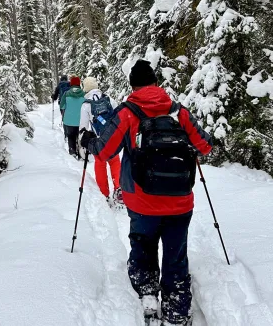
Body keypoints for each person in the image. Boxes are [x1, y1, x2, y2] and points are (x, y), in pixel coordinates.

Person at [80, 60, 213, 326]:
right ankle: (177, 310)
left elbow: (105, 151)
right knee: (176, 254)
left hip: (141, 200)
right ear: (155, 83)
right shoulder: (178, 112)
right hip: (180, 200)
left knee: (143, 244)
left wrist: (88, 141)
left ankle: (147, 290)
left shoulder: (127, 113)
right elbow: (205, 146)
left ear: (133, 86)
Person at [79, 76, 122, 205]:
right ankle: (119, 189)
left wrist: (84, 142)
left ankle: (104, 194)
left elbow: (83, 127)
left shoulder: (86, 104)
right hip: (113, 137)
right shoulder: (108, 98)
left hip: (99, 139)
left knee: (100, 163)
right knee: (115, 162)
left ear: (85, 88)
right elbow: (118, 115)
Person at [60, 76, 85, 159]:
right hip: (81, 121)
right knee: (80, 136)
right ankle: (81, 153)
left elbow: (62, 106)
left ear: (71, 84)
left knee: (71, 136)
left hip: (68, 121)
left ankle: (72, 151)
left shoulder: (66, 94)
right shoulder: (84, 94)